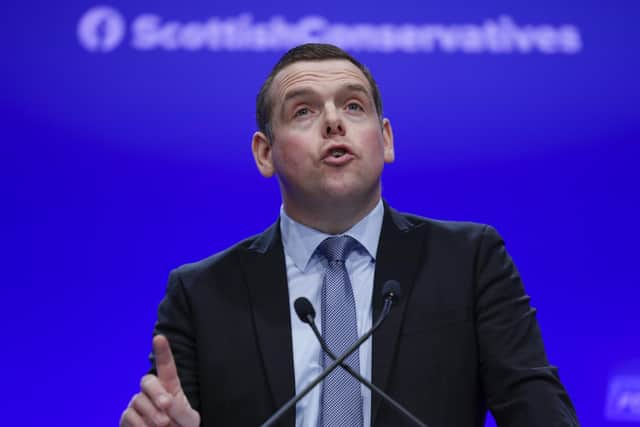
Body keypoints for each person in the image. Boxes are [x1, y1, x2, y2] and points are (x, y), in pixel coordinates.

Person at [120, 43, 578, 427]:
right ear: (265, 154)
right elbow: (170, 413)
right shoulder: (201, 293)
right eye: (303, 111)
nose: (334, 121)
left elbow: (539, 410)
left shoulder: (469, 260)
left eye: (353, 105)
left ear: (386, 139)